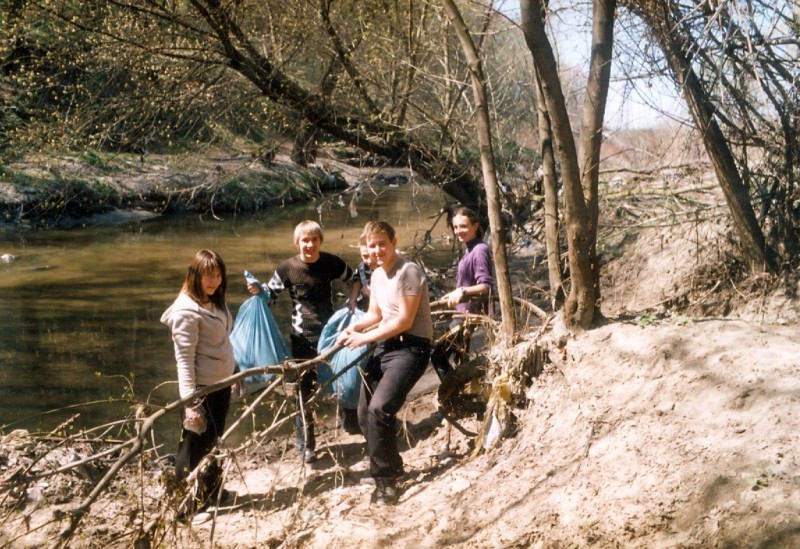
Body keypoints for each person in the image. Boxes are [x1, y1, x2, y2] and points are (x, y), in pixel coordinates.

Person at [337, 220, 433, 505]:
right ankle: (391, 466)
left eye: (382, 244)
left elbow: (403, 321)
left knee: (380, 409)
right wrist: (355, 329)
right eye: (372, 245)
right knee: (364, 412)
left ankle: (385, 482)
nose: (377, 250)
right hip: (384, 346)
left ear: (393, 242)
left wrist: (365, 340)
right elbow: (375, 315)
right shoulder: (377, 275)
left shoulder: (409, 271)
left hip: (411, 349)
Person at [248, 220, 353, 463]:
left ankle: (351, 422)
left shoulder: (331, 262)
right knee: (304, 392)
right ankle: (306, 444)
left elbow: (354, 278)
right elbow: (269, 294)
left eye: (314, 239)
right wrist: (257, 291)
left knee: (345, 378)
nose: (310, 244)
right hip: (302, 339)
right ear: (297, 243)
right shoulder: (287, 268)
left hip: (332, 335)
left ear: (320, 241)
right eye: (305, 240)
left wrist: (354, 302)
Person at [161, 249, 237, 524]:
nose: (214, 280)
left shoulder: (213, 300)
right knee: (193, 445)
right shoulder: (185, 312)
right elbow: (184, 361)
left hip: (221, 384)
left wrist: (235, 370)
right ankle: (185, 507)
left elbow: (223, 342)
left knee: (214, 439)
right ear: (195, 275)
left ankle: (211, 490)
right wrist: (190, 403)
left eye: (218, 275)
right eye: (208, 275)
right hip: (201, 389)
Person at [430, 207, 494, 382]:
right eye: (456, 227)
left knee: (438, 356)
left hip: (468, 316)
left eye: (463, 226)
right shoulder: (469, 249)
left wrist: (462, 291)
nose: (458, 231)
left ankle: (452, 395)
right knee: (461, 358)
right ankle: (465, 394)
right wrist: (451, 295)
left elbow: (485, 285)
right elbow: (467, 283)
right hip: (461, 314)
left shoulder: (480, 249)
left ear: (476, 225)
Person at [348, 237, 376, 313]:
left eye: (372, 256)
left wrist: (371, 294)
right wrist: (353, 301)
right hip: (366, 306)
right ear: (360, 254)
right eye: (365, 256)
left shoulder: (387, 269)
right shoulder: (362, 267)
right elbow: (356, 282)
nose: (369, 261)